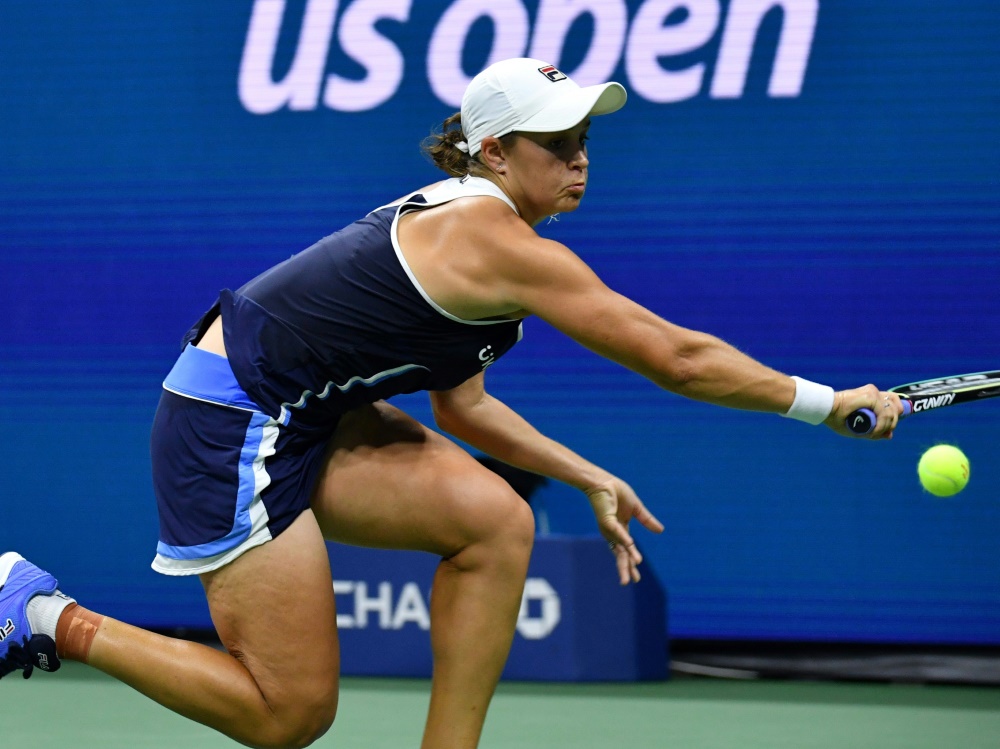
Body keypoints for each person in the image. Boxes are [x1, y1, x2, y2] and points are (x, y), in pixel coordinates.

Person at [0, 58, 903, 748]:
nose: (580, 161)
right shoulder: (488, 235)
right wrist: (828, 404)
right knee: (290, 713)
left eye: (585, 142)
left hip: (316, 417)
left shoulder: (484, 230)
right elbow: (677, 358)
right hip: (230, 421)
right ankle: (39, 611)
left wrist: (585, 473)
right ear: (496, 151)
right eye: (558, 145)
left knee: (495, 520)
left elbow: (462, 409)